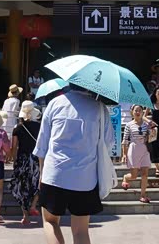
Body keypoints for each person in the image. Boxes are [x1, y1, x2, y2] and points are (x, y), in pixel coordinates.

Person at [33, 83, 114, 244]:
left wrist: (41, 174)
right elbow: (108, 143)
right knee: (80, 231)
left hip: (55, 174)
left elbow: (42, 145)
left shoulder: (55, 103)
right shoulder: (99, 108)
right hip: (85, 178)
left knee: (50, 222)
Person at [9, 100, 42, 225]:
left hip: (22, 159)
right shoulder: (39, 127)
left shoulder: (17, 128)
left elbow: (14, 146)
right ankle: (33, 205)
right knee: (37, 182)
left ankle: (25, 216)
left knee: (22, 186)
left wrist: (14, 160)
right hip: (36, 158)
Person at [121, 104, 156, 203]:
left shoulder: (146, 125)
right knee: (134, 176)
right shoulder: (129, 125)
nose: (138, 112)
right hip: (133, 149)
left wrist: (152, 128)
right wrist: (124, 154)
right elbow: (125, 140)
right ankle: (125, 178)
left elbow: (153, 135)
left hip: (144, 149)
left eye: (140, 110)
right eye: (136, 110)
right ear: (132, 112)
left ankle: (143, 195)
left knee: (145, 174)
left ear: (142, 112)